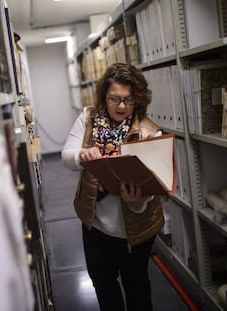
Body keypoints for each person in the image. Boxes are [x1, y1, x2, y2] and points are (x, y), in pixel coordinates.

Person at [62, 63, 165, 311]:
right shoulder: (87, 119)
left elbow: (157, 184)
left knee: (136, 285)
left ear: (138, 99)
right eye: (114, 99)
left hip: (136, 231)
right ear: (103, 97)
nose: (121, 106)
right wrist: (81, 156)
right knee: (103, 283)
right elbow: (67, 156)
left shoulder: (150, 133)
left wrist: (138, 202)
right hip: (95, 226)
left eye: (128, 100)